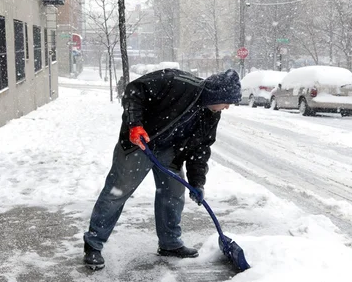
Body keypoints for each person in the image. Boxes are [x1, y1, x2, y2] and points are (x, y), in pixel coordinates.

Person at [82, 68, 242, 270]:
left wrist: (197, 182)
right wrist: (134, 124)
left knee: (174, 193)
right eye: (227, 101)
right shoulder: (176, 82)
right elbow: (134, 90)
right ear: (217, 94)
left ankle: (170, 243)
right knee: (118, 191)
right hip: (140, 143)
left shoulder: (211, 114)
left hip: (169, 151)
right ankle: (93, 244)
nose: (227, 107)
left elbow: (200, 150)